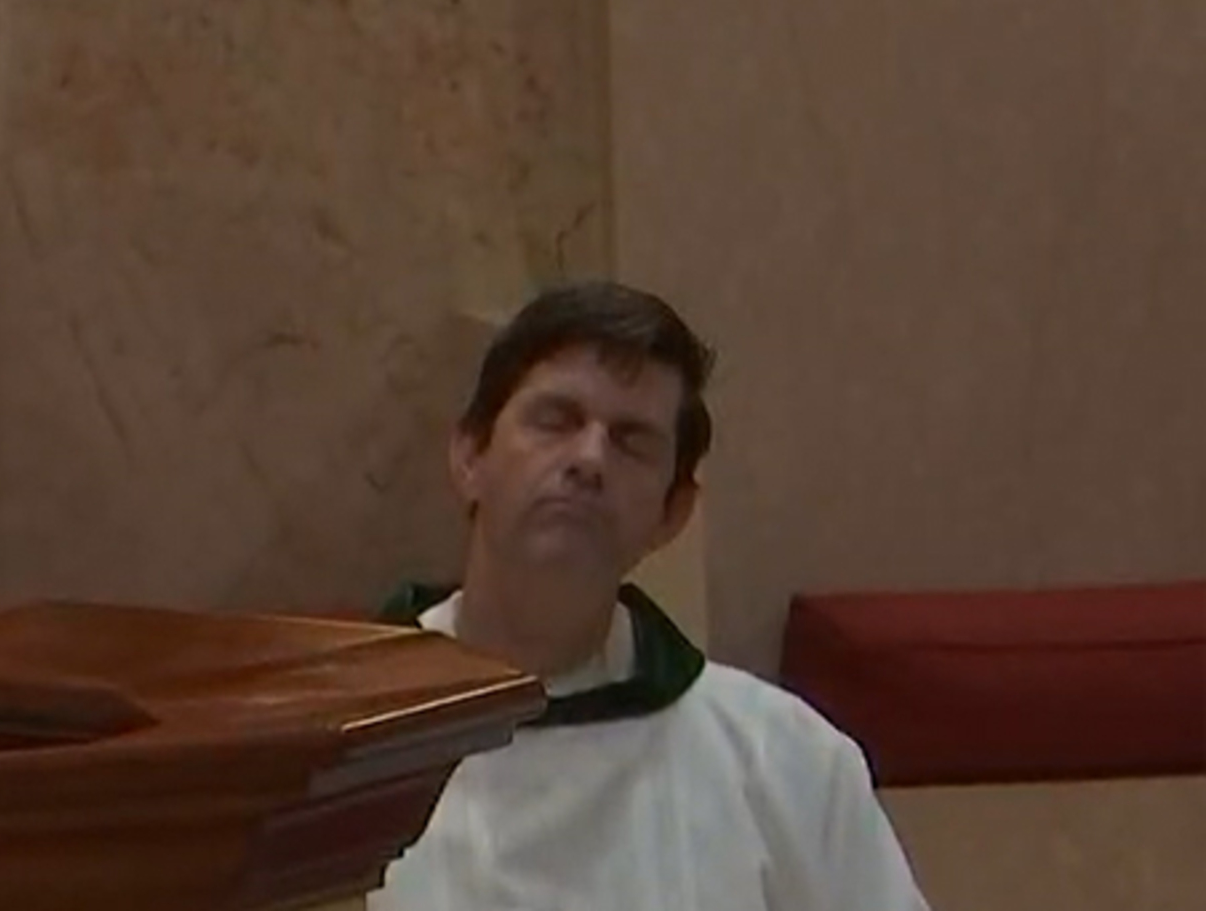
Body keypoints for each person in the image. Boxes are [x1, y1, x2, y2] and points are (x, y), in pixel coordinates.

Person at [372, 281, 928, 910]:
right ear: (470, 456)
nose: (588, 458)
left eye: (632, 441)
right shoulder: (331, 754)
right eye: (555, 420)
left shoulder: (786, 761)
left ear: (673, 512)